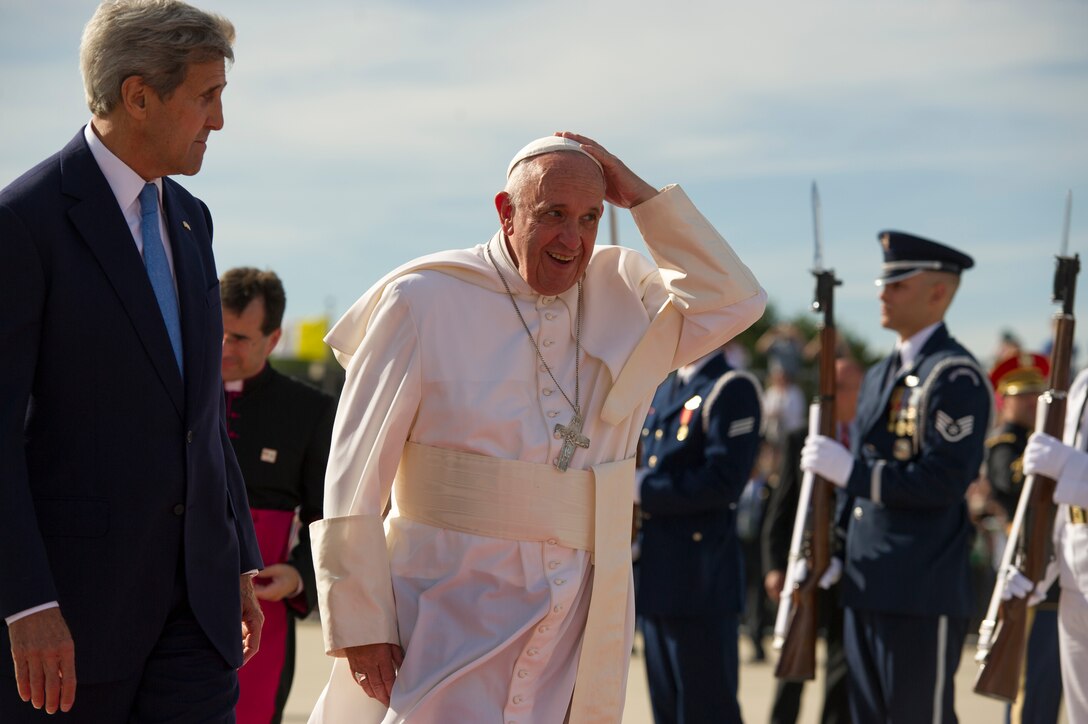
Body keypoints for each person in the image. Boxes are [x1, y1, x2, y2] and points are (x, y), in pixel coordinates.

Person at [307, 133, 767, 722]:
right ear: (506, 211)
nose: (572, 240)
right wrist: (361, 618)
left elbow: (736, 301)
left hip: (575, 618)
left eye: (590, 217)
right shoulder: (424, 299)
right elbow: (354, 471)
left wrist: (643, 198)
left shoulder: (624, 297)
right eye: (553, 214)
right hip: (443, 605)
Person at [0, 2, 264, 721]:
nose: (218, 120)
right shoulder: (23, 225)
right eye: (206, 97)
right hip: (75, 623)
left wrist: (237, 553)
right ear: (138, 95)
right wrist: (26, 602)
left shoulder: (191, 218)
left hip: (197, 617)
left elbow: (198, 410)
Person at [800, 231, 991, 723]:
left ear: (938, 293)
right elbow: (856, 479)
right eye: (885, 283)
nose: (883, 293)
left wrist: (854, 474)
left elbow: (943, 480)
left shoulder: (955, 377)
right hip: (866, 580)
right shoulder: (883, 373)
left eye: (899, 283)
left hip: (920, 587)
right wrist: (835, 549)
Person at [220, 268, 336, 724]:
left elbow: (326, 515)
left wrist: (300, 574)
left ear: (273, 339)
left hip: (262, 612)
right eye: (218, 332)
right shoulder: (176, 391)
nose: (224, 348)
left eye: (240, 338)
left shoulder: (308, 410)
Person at [635, 349, 763, 723]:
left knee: (706, 709)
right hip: (658, 575)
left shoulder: (730, 387)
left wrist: (647, 489)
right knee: (667, 709)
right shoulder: (666, 385)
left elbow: (724, 482)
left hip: (701, 580)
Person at [762, 357, 863, 724]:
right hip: (803, 565)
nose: (835, 397)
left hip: (852, 570)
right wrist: (774, 566)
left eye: (846, 388)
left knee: (842, 667)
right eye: (829, 389)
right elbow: (782, 506)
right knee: (793, 662)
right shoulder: (800, 437)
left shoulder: (870, 438)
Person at [1006, 363, 1088, 722]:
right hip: (1075, 566)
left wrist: (1070, 466)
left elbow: (1066, 468)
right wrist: (1043, 559)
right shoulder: (1084, 381)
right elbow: (1061, 495)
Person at [985, 353, 1063, 724]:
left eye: (1037, 394)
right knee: (1032, 679)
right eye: (1023, 395)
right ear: (1005, 399)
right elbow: (1012, 484)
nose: (1032, 402)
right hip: (1026, 567)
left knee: (1053, 679)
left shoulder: (1042, 440)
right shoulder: (1004, 442)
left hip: (1056, 566)